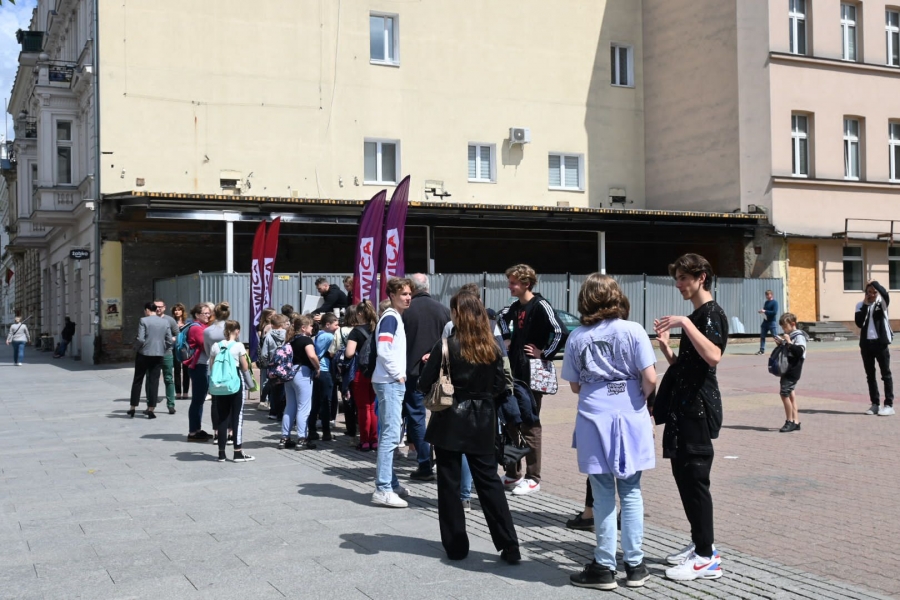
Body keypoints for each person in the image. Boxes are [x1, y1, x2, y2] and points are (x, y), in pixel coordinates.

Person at [563, 274, 656, 590]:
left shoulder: (577, 336)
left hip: (593, 415)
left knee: (601, 491)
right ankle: (635, 565)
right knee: (631, 490)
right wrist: (639, 398)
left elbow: (575, 385)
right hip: (629, 412)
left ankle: (604, 565)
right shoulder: (634, 330)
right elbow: (650, 377)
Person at [417, 292, 521, 563]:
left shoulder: (446, 345)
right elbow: (501, 386)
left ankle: (456, 546)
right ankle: (510, 545)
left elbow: (423, 383)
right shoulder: (492, 347)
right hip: (483, 420)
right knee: (489, 483)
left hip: (449, 420)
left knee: (449, 485)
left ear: (458, 314)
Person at [654, 253, 727, 582]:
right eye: (677, 278)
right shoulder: (699, 315)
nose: (678, 284)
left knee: (695, 481)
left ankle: (706, 558)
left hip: (697, 410)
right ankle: (700, 544)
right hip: (684, 408)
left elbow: (713, 356)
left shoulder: (710, 313)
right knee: (684, 477)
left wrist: (685, 323)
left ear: (701, 277)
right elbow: (687, 368)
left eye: (684, 277)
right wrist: (666, 349)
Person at [497, 264, 564, 496]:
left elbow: (560, 331)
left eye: (513, 283)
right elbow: (500, 318)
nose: (510, 286)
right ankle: (512, 473)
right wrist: (507, 338)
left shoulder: (541, 305)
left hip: (532, 375)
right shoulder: (515, 306)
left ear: (526, 283)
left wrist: (544, 353)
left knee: (530, 424)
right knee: (510, 422)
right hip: (514, 373)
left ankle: (533, 477)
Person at [402, 273, 452, 482]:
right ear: (428, 287)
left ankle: (424, 463)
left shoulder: (404, 311)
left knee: (416, 417)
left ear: (412, 288)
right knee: (442, 415)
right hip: (440, 373)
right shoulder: (444, 310)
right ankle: (444, 460)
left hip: (413, 372)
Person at [371, 277, 413, 508]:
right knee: (390, 436)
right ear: (392, 295)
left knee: (391, 434)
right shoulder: (390, 318)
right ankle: (383, 488)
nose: (408, 298)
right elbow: (384, 349)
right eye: (403, 294)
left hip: (389, 381)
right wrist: (398, 374)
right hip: (389, 382)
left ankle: (391, 483)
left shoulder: (393, 317)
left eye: (409, 294)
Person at [208, 320, 255, 462]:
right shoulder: (239, 346)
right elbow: (244, 367)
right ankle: (237, 452)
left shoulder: (216, 346)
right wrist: (250, 383)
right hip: (235, 383)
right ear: (237, 331)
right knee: (237, 417)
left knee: (222, 417)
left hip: (220, 385)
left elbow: (212, 366)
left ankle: (221, 453)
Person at [278, 315, 320, 450]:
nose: (312, 328)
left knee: (290, 406)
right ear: (303, 328)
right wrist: (317, 367)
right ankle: (302, 438)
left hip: (290, 374)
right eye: (311, 326)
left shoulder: (291, 340)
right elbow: (311, 355)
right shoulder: (306, 340)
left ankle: (285, 438)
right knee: (304, 407)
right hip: (302, 373)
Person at [856, 280, 894, 416]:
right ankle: (875, 404)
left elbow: (885, 293)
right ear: (866, 293)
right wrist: (865, 305)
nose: (872, 294)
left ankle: (889, 405)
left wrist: (874, 283)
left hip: (880, 344)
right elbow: (859, 323)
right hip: (866, 345)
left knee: (885, 374)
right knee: (870, 375)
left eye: (874, 292)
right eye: (869, 292)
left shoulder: (882, 303)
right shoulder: (860, 305)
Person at [344, 301, 378, 451]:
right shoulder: (377, 328)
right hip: (377, 371)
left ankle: (365, 441)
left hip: (361, 372)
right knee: (374, 406)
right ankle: (375, 440)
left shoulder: (356, 331)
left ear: (359, 314)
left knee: (364, 408)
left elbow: (349, 353)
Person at [129, 302, 169, 419]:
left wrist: (136, 348)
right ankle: (151, 409)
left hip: (144, 353)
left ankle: (132, 407)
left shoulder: (143, 320)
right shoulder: (165, 322)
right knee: (154, 381)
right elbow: (169, 340)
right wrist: (163, 348)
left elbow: (141, 339)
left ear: (147, 310)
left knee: (138, 380)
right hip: (158, 354)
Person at [308, 313, 338, 441]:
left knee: (315, 401)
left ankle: (312, 430)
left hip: (316, 371)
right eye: (336, 324)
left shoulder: (318, 335)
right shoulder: (330, 337)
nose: (338, 327)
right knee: (326, 402)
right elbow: (333, 352)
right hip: (325, 371)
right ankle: (326, 432)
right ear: (328, 324)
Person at [775, 313, 808, 432]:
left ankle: (789, 421)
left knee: (784, 394)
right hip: (789, 369)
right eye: (782, 327)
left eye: (785, 327)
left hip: (793, 370)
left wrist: (788, 342)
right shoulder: (792, 335)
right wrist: (781, 343)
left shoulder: (799, 336)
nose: (784, 329)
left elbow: (799, 351)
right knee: (791, 395)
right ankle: (796, 421)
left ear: (793, 324)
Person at [204, 302, 231, 443]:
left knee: (215, 402)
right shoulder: (232, 328)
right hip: (231, 368)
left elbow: (207, 351)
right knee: (231, 400)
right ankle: (231, 433)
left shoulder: (208, 331)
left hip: (214, 368)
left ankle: (216, 433)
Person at [186, 303, 213, 441]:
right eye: (205, 313)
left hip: (203, 365)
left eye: (209, 313)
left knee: (200, 399)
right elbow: (205, 346)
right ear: (197, 315)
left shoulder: (203, 327)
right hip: (199, 366)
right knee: (197, 400)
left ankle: (197, 429)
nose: (208, 315)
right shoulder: (196, 328)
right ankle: (193, 432)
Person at [330, 305, 357, 436]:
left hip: (343, 370)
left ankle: (350, 429)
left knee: (347, 399)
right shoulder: (362, 329)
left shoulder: (339, 331)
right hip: (358, 369)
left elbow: (332, 351)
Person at [259, 314, 288, 421]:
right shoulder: (288, 335)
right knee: (284, 389)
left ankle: (273, 412)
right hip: (285, 366)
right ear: (283, 324)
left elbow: (264, 354)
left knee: (274, 389)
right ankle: (282, 412)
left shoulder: (268, 336)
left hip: (273, 366)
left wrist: (268, 362)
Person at [154, 299, 180, 415]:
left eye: (160, 307)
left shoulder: (170, 320)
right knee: (152, 379)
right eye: (156, 306)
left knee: (168, 378)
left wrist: (172, 339)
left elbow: (178, 334)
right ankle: (151, 403)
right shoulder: (149, 319)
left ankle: (171, 405)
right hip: (152, 353)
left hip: (167, 352)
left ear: (164, 308)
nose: (158, 308)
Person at [256, 308, 277, 411]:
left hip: (265, 355)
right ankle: (265, 400)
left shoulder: (262, 327)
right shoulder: (268, 327)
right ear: (268, 316)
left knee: (265, 379)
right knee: (266, 379)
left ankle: (265, 399)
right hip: (267, 356)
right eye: (273, 315)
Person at [171, 303, 191, 399]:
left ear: (182, 311)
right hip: (175, 348)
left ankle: (185, 392)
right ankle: (178, 392)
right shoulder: (171, 322)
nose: (177, 311)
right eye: (175, 310)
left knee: (186, 370)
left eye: (179, 310)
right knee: (177, 370)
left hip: (185, 348)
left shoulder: (188, 322)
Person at [756, 290, 779, 355]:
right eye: (766, 295)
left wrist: (765, 311)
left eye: (768, 294)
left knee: (775, 336)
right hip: (765, 322)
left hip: (772, 322)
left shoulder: (775, 302)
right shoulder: (766, 302)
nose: (767, 296)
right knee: (762, 336)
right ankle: (761, 350)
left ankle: (781, 348)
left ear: (771, 295)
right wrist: (761, 311)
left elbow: (774, 312)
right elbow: (765, 310)